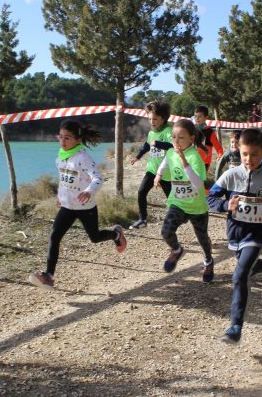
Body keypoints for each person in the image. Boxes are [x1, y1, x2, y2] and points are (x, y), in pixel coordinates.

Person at [207, 128, 262, 344]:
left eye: (254, 154)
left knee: (239, 276)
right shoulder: (230, 175)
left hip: (257, 234)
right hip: (235, 234)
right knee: (247, 266)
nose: (248, 159)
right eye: (244, 154)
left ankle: (235, 326)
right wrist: (225, 204)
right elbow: (210, 199)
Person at [29, 120, 128, 290]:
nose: (63, 141)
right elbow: (63, 180)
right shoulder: (60, 158)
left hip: (85, 207)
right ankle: (49, 276)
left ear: (77, 140)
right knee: (54, 236)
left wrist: (89, 191)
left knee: (95, 238)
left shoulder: (83, 158)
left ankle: (116, 235)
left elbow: (98, 177)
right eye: (60, 137)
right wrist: (60, 197)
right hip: (68, 207)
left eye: (67, 138)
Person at [155, 119, 214, 282]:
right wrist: (159, 175)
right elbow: (166, 161)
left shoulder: (195, 158)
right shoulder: (171, 152)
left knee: (202, 239)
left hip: (197, 206)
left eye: (181, 137)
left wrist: (183, 160)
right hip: (178, 203)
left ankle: (208, 261)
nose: (176, 141)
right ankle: (176, 250)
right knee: (166, 231)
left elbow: (197, 184)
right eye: (173, 137)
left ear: (192, 138)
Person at [128, 100, 173, 229]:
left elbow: (172, 146)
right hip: (152, 170)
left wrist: (157, 143)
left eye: (155, 119)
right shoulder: (151, 133)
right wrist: (138, 156)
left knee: (171, 200)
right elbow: (147, 145)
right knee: (141, 192)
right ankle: (142, 219)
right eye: (150, 119)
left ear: (163, 118)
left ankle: (177, 216)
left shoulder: (168, 131)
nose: (152, 122)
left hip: (165, 172)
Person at [193, 106, 224, 172]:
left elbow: (218, 147)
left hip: (204, 162)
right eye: (195, 116)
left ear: (206, 117)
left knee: (200, 181)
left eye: (200, 116)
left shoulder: (210, 131)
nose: (197, 118)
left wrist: (220, 155)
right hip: (192, 160)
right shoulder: (191, 130)